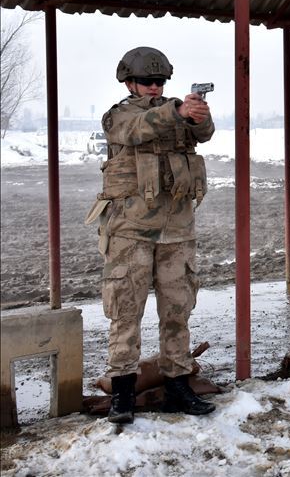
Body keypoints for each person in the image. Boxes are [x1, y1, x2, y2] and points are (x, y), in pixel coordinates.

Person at [86, 47, 216, 424]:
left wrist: (199, 115)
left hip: (177, 230)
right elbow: (136, 130)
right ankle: (123, 393)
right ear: (129, 82)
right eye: (147, 81)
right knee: (126, 312)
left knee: (177, 311)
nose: (154, 87)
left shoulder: (175, 112)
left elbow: (204, 134)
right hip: (131, 230)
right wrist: (177, 111)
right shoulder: (119, 115)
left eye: (159, 81)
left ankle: (178, 386)